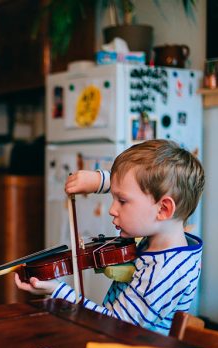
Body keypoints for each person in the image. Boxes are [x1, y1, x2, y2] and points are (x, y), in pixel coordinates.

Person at [14, 139, 205, 335]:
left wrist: (59, 292)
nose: (112, 210)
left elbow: (116, 325)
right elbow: (134, 185)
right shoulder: (166, 236)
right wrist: (98, 181)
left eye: (121, 201)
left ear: (163, 209)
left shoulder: (164, 273)